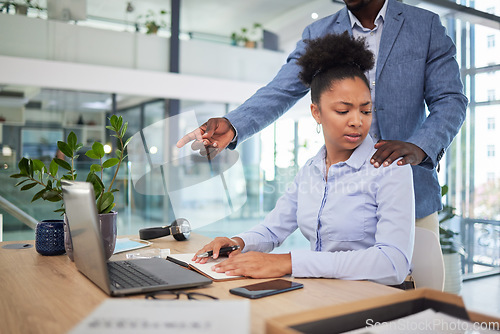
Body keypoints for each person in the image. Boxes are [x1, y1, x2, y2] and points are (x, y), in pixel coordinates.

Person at [177, 0, 468, 236]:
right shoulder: (320, 33)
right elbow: (281, 89)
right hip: (345, 202)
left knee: (416, 295)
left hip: (410, 193)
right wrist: (234, 123)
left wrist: (420, 146)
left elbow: (450, 99)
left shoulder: (423, 26)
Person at [192, 33, 415, 285]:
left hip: (371, 300)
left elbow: (393, 263)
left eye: (365, 110)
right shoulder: (312, 170)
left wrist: (288, 262)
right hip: (322, 291)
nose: (357, 121)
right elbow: (273, 229)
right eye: (343, 110)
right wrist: (237, 242)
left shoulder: (390, 167)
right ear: (316, 112)